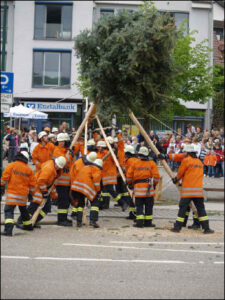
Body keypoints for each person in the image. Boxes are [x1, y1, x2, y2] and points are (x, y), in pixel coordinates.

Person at [170, 145, 214, 234]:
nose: (183, 154)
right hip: (198, 192)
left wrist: (176, 179)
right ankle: (206, 228)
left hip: (187, 192)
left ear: (188, 152)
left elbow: (180, 172)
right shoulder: (199, 162)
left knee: (182, 210)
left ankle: (177, 227)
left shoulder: (186, 160)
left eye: (185, 152)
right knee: (201, 210)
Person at [22, 156, 67, 228]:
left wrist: (54, 196)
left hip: (42, 188)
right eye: (58, 166)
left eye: (60, 167)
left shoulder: (55, 169)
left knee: (46, 208)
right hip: (37, 187)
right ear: (55, 162)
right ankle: (22, 221)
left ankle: (34, 220)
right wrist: (45, 192)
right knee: (34, 205)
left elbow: (51, 184)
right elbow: (41, 181)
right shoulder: (49, 168)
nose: (58, 168)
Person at [1, 151, 36, 236]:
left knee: (9, 211)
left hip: (12, 195)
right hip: (23, 196)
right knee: (23, 211)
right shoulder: (29, 170)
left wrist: (1, 186)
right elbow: (33, 185)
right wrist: (32, 194)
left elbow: (4, 178)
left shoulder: (11, 165)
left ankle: (8, 230)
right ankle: (28, 226)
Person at [127, 146, 160, 228]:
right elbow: (156, 176)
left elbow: (129, 175)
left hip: (138, 189)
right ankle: (148, 223)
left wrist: (129, 183)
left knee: (139, 206)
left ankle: (139, 222)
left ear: (139, 154)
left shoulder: (135, 163)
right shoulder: (152, 163)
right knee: (149, 207)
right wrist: (155, 184)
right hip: (149, 190)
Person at [70, 158, 103, 228]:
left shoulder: (85, 167)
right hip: (86, 187)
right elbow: (96, 181)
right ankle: (93, 221)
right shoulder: (97, 169)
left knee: (80, 204)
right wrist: (99, 191)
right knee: (95, 203)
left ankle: (79, 222)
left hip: (76, 187)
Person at [52, 133, 73, 226]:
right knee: (63, 201)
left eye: (63, 141)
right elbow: (64, 162)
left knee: (66, 201)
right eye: (59, 141)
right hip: (61, 181)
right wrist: (69, 155)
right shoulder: (57, 151)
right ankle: (61, 220)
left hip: (68, 181)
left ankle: (64, 217)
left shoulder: (67, 150)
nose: (61, 143)